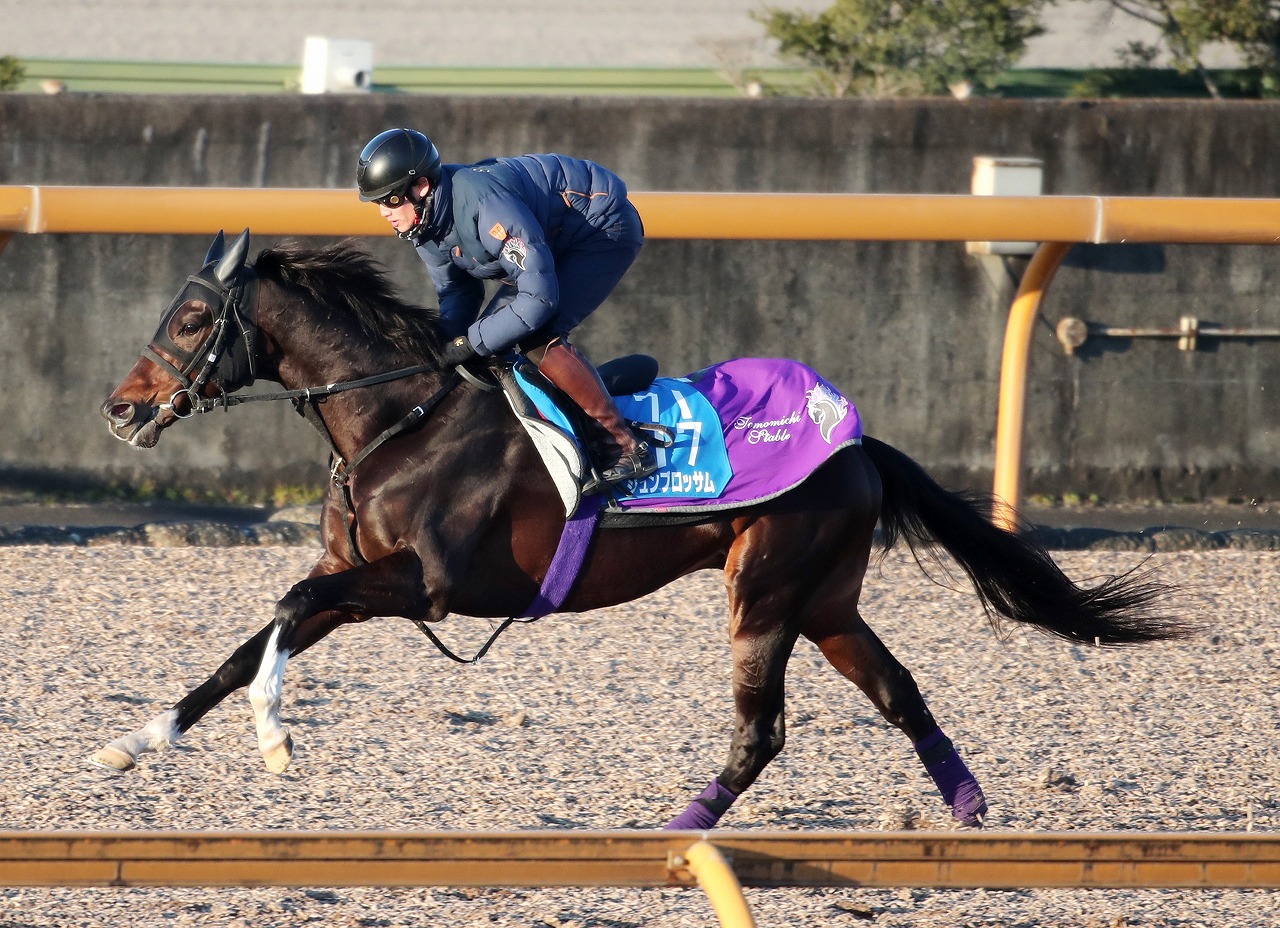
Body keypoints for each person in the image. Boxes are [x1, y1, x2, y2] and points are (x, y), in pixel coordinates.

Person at [356, 127, 658, 490]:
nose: (384, 212)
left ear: (420, 187)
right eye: (377, 203)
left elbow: (539, 299)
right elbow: (457, 293)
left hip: (601, 227)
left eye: (390, 200)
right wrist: (441, 349)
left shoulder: (485, 205)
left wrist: (470, 343)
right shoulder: (424, 226)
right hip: (549, 240)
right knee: (489, 347)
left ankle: (626, 446)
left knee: (535, 334)